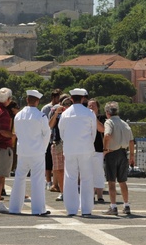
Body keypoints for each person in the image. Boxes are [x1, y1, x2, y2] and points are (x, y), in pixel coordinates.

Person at [9, 89, 52, 216]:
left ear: (27, 100)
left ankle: (14, 208)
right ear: (37, 101)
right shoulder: (41, 116)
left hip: (22, 151)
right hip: (37, 152)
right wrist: (42, 148)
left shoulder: (18, 115)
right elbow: (47, 134)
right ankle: (38, 209)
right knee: (37, 180)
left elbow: (17, 133)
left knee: (19, 179)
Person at [59, 87, 97, 217]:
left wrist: (69, 142)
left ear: (71, 99)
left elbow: (61, 132)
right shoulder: (89, 113)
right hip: (85, 149)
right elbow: (94, 132)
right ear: (83, 98)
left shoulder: (65, 113)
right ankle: (86, 209)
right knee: (86, 178)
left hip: (69, 149)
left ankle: (71, 209)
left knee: (70, 177)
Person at [103, 101, 135, 216]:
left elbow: (107, 135)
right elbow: (131, 141)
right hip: (123, 153)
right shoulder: (125, 124)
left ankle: (113, 206)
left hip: (112, 153)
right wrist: (132, 156)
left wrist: (105, 149)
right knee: (123, 181)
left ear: (107, 112)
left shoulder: (109, 122)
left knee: (111, 181)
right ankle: (126, 205)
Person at [48, 95, 70, 200]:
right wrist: (57, 113)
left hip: (69, 143)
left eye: (69, 103)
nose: (67, 105)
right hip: (57, 142)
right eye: (64, 103)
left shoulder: (72, 113)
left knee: (70, 169)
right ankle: (63, 191)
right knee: (58, 169)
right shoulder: (54, 112)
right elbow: (50, 125)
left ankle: (70, 191)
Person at [41, 89, 61, 191]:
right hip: (48, 137)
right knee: (48, 161)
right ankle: (48, 181)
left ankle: (55, 182)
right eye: (58, 97)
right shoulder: (46, 108)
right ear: (53, 98)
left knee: (55, 163)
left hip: (56, 137)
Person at [88, 99, 106, 204]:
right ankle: (90, 195)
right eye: (89, 106)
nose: (91, 107)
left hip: (98, 148)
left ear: (97, 108)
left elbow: (102, 129)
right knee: (88, 173)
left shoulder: (101, 118)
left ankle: (100, 195)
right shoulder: (84, 117)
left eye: (93, 106)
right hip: (87, 148)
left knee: (98, 172)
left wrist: (93, 117)